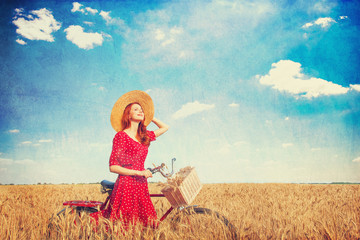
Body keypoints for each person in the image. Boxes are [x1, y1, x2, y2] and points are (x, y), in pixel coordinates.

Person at [90, 90, 169, 229]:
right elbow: (113, 167)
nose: (140, 111)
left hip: (141, 184)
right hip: (126, 185)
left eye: (142, 110)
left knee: (145, 224)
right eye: (136, 109)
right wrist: (139, 172)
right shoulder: (121, 136)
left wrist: (150, 116)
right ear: (128, 114)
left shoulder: (144, 136)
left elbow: (165, 127)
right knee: (124, 224)